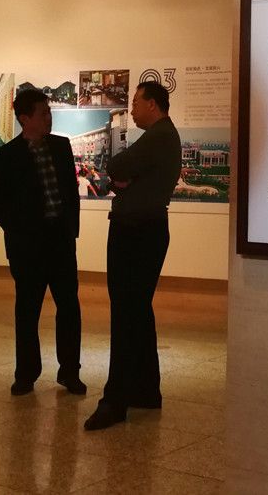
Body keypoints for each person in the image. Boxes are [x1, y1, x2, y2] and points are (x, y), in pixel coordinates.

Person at [85, 82, 182, 431]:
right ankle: (145, 389)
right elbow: (123, 173)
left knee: (126, 314)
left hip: (136, 232)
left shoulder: (158, 137)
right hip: (147, 227)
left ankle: (116, 400)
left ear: (153, 104)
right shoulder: (164, 136)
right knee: (138, 312)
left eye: (137, 103)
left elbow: (117, 165)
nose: (133, 109)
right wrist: (125, 178)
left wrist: (124, 177)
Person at [0, 88, 85, 398]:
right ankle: (26, 374)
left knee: (69, 307)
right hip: (27, 247)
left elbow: (70, 192)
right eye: (42, 113)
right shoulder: (6, 155)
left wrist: (71, 231)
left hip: (60, 242)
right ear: (24, 118)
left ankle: (70, 372)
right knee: (27, 311)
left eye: (49, 112)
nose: (48, 118)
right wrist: (17, 230)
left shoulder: (61, 146)